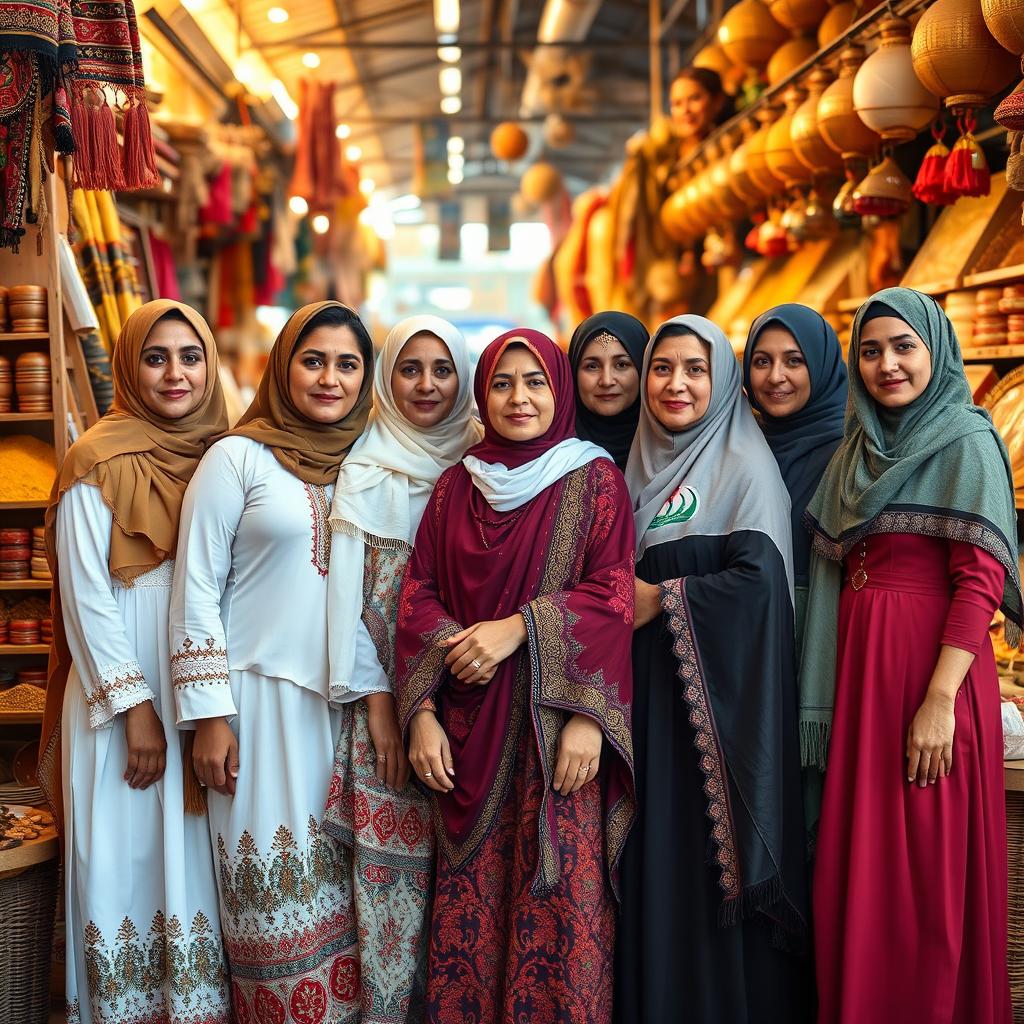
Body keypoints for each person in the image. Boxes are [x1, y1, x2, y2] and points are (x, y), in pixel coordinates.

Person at [395, 329, 636, 1024]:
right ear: (482, 393)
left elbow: (612, 595)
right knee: (468, 922)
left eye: (535, 382)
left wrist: (583, 710)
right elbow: (418, 597)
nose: (519, 397)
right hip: (467, 740)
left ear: (558, 392)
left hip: (558, 732)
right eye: (502, 382)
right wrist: (421, 714)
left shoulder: (594, 480)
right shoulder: (456, 487)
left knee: (558, 916)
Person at [803, 288, 1022, 1024]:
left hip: (932, 684)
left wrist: (938, 703)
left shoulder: (965, 439)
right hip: (865, 684)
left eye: (904, 347)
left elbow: (980, 580)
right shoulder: (858, 446)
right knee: (862, 880)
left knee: (925, 885)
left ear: (936, 350)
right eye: (871, 350)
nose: (887, 365)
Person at [169, 301, 386, 1020]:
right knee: (268, 898)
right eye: (313, 360)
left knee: (343, 901)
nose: (330, 379)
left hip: (343, 711)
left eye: (348, 364)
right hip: (255, 709)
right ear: (284, 364)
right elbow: (196, 586)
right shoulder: (237, 457)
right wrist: (210, 716)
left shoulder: (370, 458)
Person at [39, 300, 231, 1024]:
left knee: (195, 867)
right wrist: (137, 710)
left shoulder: (226, 453)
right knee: (124, 861)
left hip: (202, 691)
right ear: (128, 365)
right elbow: (87, 600)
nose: (176, 373)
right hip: (121, 699)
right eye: (155, 357)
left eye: (190, 355)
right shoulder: (94, 459)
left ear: (210, 363)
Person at [617, 315, 811, 1024]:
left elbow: (759, 594)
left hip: (720, 729)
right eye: (662, 368)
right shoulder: (638, 467)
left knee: (704, 884)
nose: (676, 384)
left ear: (721, 380)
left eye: (695, 369)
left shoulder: (744, 467)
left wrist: (661, 599)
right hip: (648, 718)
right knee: (655, 880)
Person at [323, 314, 482, 1019]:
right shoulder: (365, 464)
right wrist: (383, 708)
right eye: (409, 369)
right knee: (390, 887)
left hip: (474, 699)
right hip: (385, 704)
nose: (426, 385)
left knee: (465, 875)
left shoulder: (485, 459)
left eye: (442, 369)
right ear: (386, 377)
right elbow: (347, 602)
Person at [742, 303, 848, 649]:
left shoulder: (849, 455)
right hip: (754, 640)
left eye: (794, 361)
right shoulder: (739, 449)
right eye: (762, 361)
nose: (775, 376)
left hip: (824, 641)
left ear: (821, 366)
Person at [568, 311, 648, 472]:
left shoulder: (669, 447)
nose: (606, 381)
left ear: (643, 368)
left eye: (621, 365)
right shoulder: (553, 454)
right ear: (574, 370)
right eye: (592, 366)